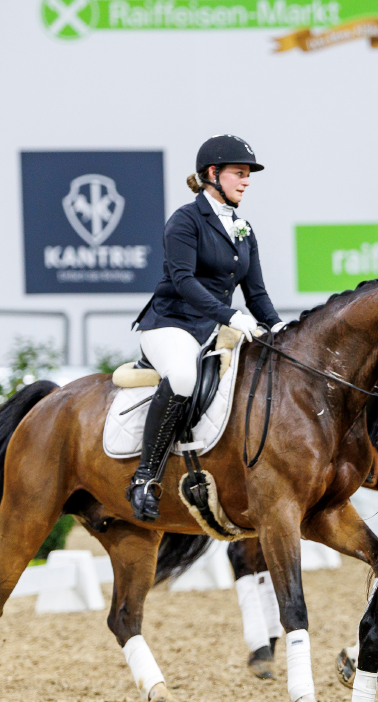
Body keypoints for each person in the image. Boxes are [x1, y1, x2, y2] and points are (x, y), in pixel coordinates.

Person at [127, 134, 284, 522]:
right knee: (182, 377)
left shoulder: (243, 227)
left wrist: (279, 328)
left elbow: (257, 294)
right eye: (239, 173)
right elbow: (183, 281)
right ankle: (145, 477)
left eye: (248, 175)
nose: (246, 181)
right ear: (213, 174)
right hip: (171, 323)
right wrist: (229, 316)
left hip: (212, 328)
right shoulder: (185, 220)